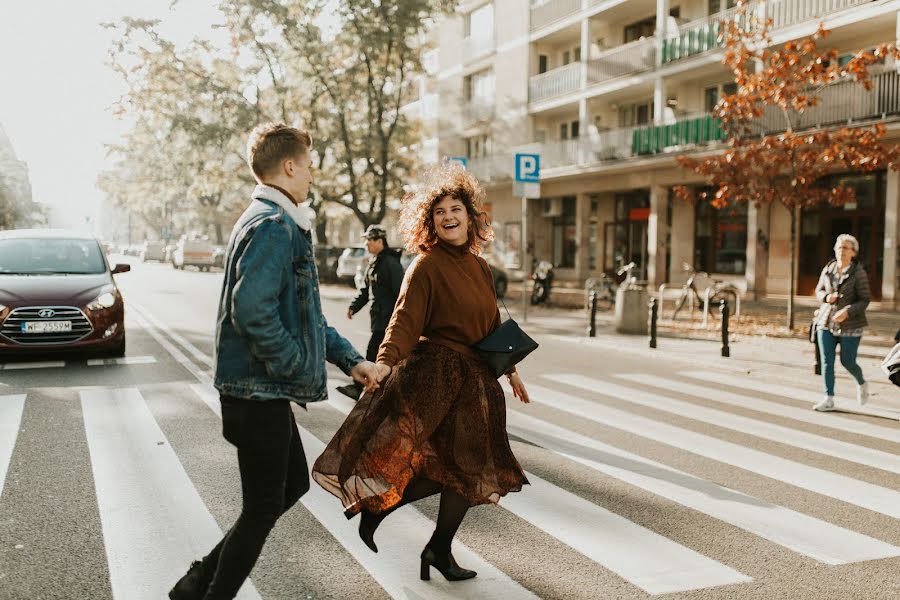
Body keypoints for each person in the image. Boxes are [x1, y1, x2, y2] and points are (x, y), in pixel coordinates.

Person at [168, 123, 379, 600]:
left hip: (261, 391)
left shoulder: (275, 220)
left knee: (289, 487)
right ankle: (208, 590)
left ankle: (197, 583)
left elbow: (305, 317)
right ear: (289, 166)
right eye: (307, 165)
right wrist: (293, 364)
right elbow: (251, 310)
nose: (311, 174)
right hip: (258, 391)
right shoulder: (273, 226)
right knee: (262, 507)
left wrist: (351, 362)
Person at [312, 161, 530, 583]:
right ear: (430, 221)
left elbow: (490, 324)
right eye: (439, 212)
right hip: (434, 377)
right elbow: (404, 320)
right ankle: (396, 518)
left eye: (456, 209)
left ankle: (430, 544)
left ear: (471, 216)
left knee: (463, 469)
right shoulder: (426, 265)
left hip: (473, 380)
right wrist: (384, 361)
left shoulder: (480, 266)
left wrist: (512, 370)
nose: (448, 217)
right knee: (449, 467)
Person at [337, 224, 404, 399]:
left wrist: (398, 319)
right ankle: (377, 391)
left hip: (388, 320)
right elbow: (366, 291)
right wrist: (354, 306)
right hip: (378, 319)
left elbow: (401, 294)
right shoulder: (375, 263)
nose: (366, 245)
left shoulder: (391, 264)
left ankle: (359, 387)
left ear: (379, 241)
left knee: (374, 353)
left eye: (369, 241)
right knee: (379, 356)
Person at [812, 233, 870, 412]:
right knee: (827, 361)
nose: (841, 251)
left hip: (850, 325)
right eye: (838, 247)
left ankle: (861, 383)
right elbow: (819, 291)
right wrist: (827, 297)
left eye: (845, 248)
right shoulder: (828, 269)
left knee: (848, 361)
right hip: (826, 321)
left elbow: (865, 299)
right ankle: (828, 398)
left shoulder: (858, 272)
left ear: (853, 252)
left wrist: (847, 311)